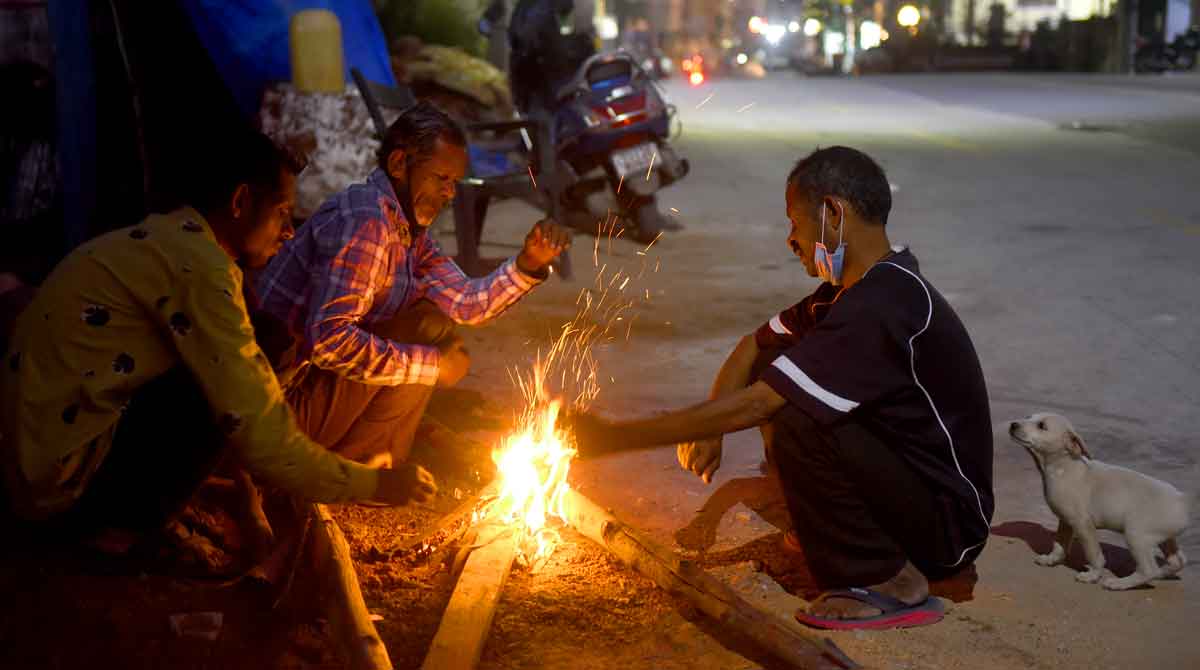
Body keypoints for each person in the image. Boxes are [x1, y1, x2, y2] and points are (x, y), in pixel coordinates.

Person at [568, 147, 994, 630]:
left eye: (795, 222)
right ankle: (838, 526)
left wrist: (617, 437)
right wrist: (712, 423)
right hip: (911, 487)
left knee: (793, 408)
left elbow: (758, 404)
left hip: (948, 525)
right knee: (779, 366)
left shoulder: (886, 302)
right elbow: (752, 347)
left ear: (832, 213)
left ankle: (884, 582)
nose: (791, 239)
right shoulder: (850, 291)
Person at [0, 131, 436, 547]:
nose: (289, 231)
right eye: (283, 212)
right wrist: (376, 482)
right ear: (240, 202)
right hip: (60, 492)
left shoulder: (171, 239)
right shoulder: (202, 272)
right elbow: (257, 425)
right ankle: (115, 533)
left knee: (253, 344)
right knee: (226, 384)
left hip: (34, 467)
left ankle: (137, 506)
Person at [254, 101, 570, 472]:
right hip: (275, 414)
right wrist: (432, 366)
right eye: (441, 179)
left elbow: (466, 304)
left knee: (432, 325)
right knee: (425, 340)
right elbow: (329, 342)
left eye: (454, 183)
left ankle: (368, 459)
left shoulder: (406, 229)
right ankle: (357, 471)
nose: (450, 193)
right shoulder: (367, 222)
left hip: (305, 394)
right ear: (399, 164)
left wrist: (528, 265)